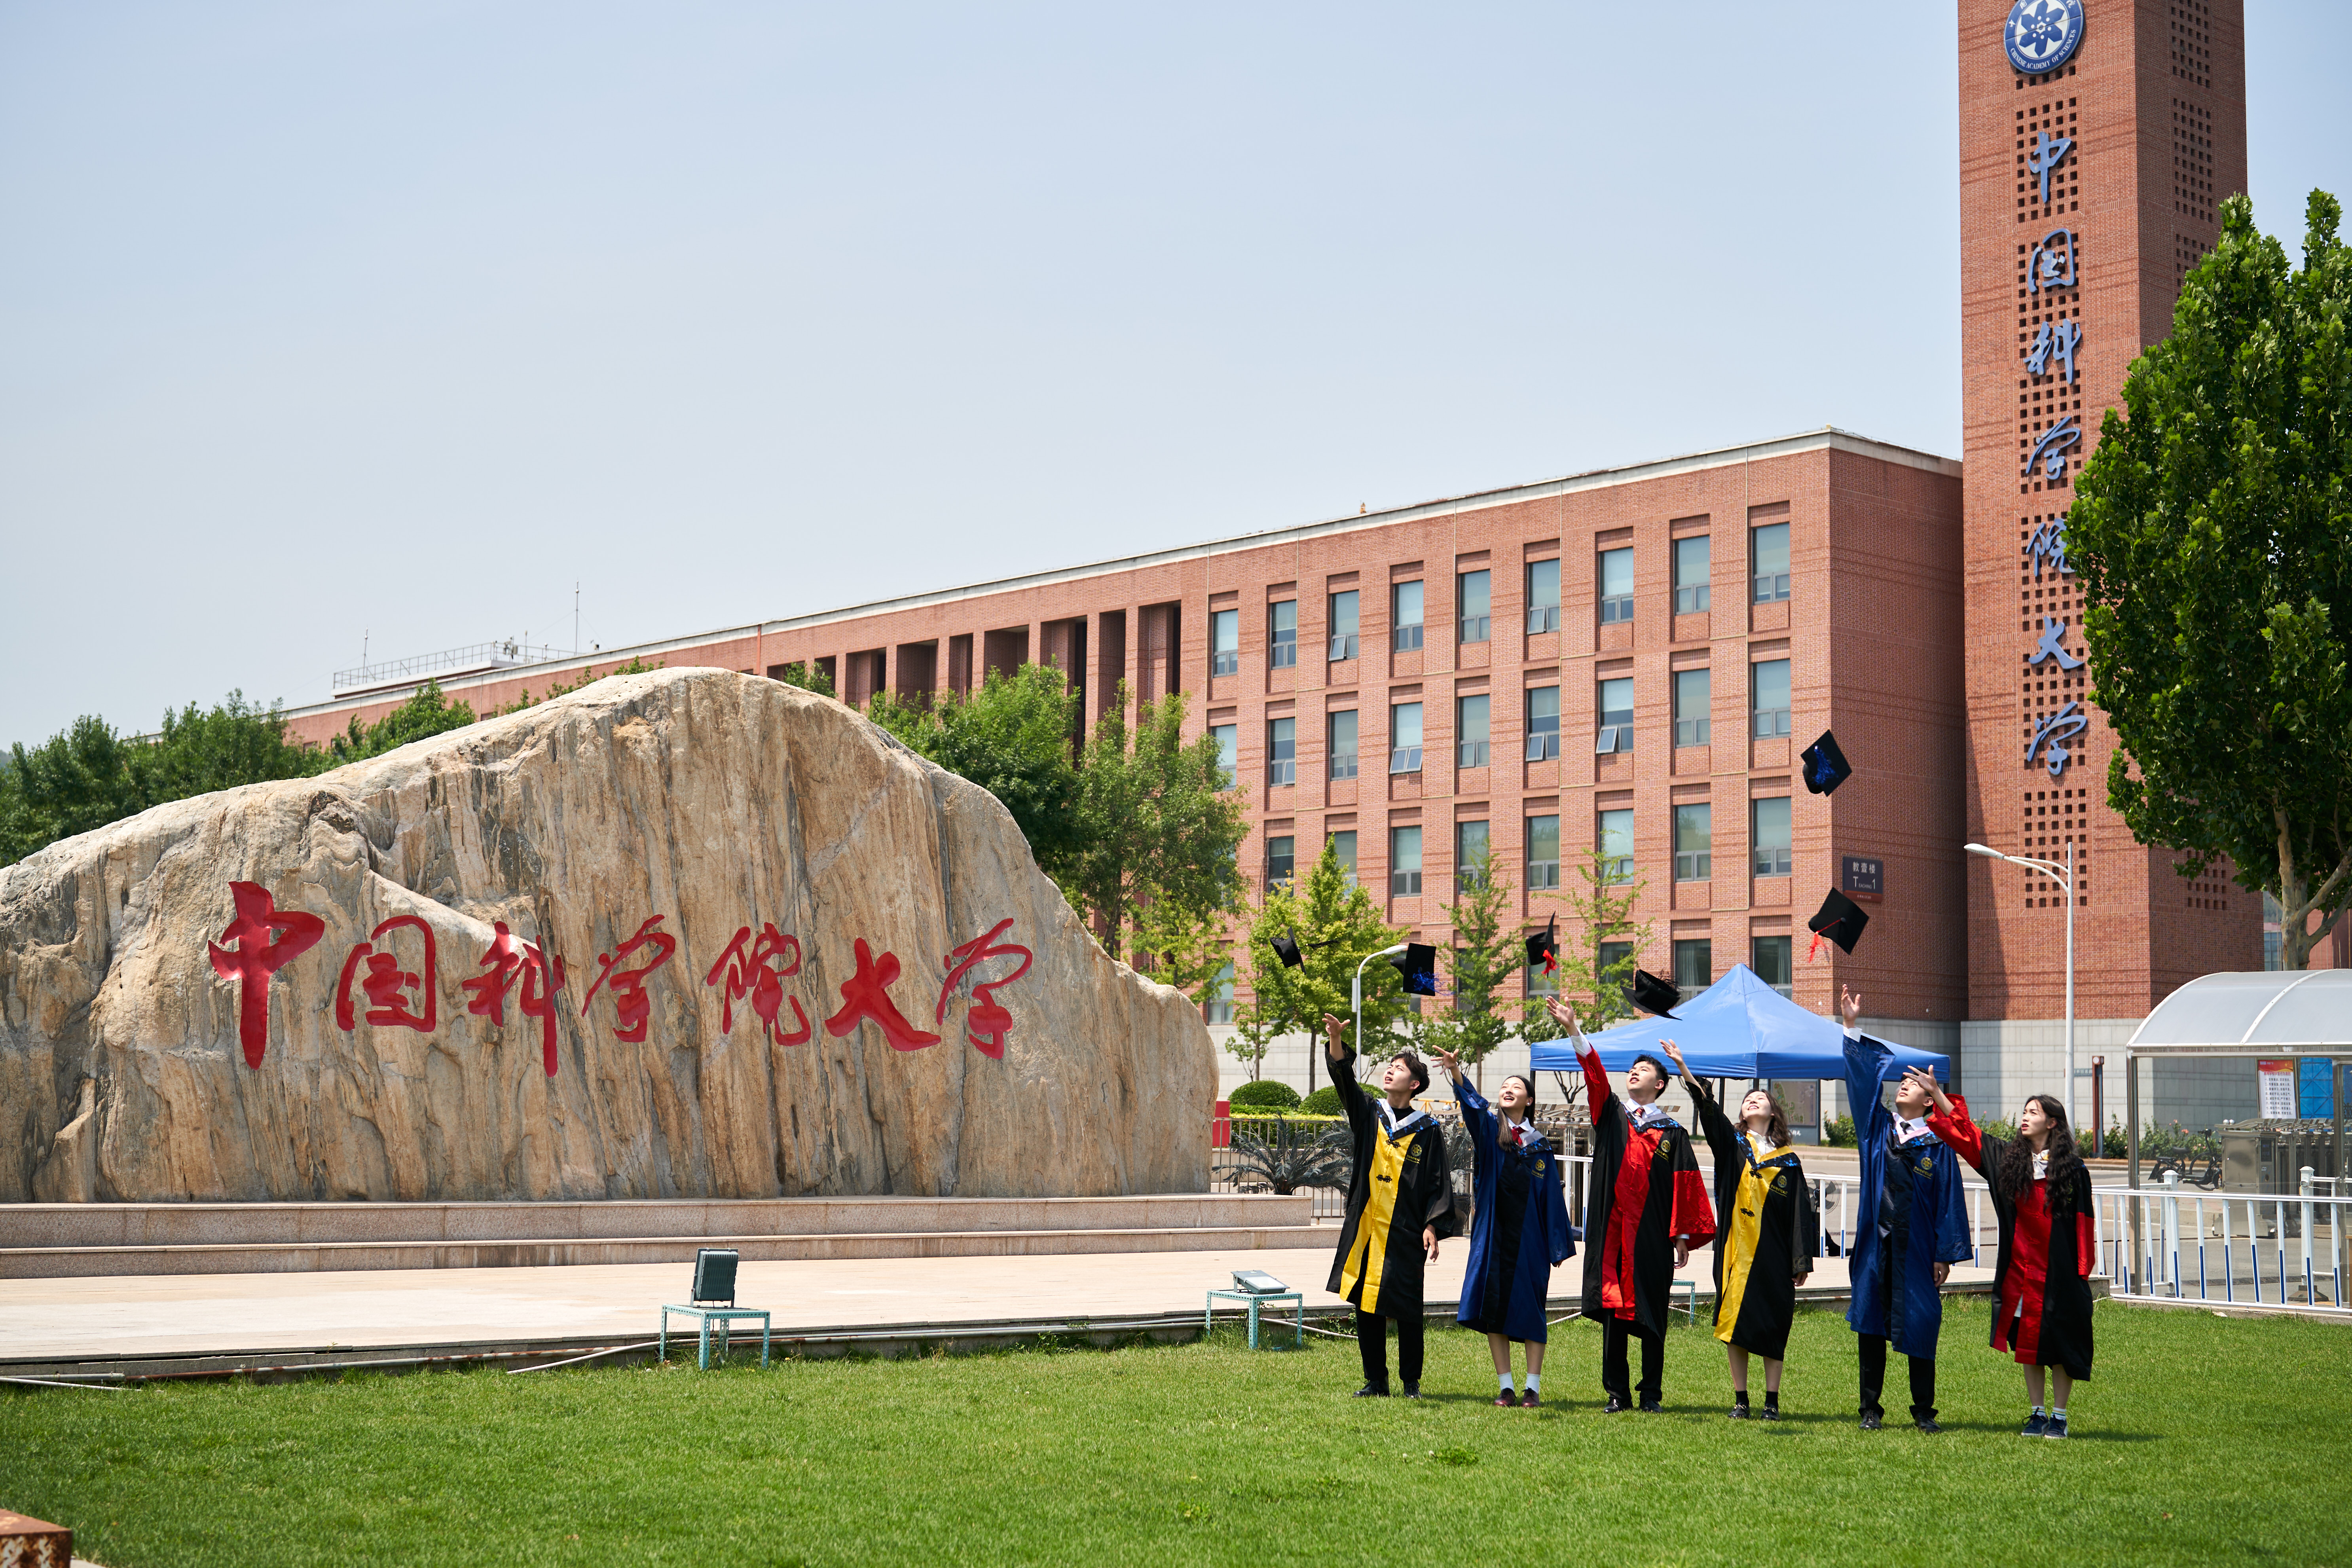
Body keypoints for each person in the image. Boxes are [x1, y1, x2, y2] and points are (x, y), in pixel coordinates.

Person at [1544, 997, 1715, 1413]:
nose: (1634, 1072)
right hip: (1613, 1234)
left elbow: (1685, 1185)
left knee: (1653, 1312)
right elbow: (1596, 1076)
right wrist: (1573, 1029)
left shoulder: (1671, 1132)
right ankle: (1617, 1393)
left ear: (1659, 1084)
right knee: (1612, 1313)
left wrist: (1682, 1236)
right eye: (1632, 1069)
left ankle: (1651, 1394)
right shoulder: (1613, 1113)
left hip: (1653, 1236)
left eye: (1645, 1070)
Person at [1909, 1071, 2096, 1438]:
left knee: (2059, 1343)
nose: (2024, 1117)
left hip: (2059, 1272)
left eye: (2033, 1112)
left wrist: (2082, 1271)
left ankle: (2060, 1415)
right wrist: (1937, 1094)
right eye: (2024, 1111)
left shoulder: (2073, 1170)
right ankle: (2037, 1413)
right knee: (2029, 1343)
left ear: (2052, 1122)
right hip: (2021, 1270)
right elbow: (1968, 1133)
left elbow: (2083, 1223)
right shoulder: (2010, 1161)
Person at [1837, 986, 1973, 1433]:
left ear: (1928, 1102)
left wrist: (1944, 1253)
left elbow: (1949, 1201)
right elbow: (1860, 1088)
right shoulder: (1876, 1130)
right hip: (1877, 1245)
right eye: (1902, 1081)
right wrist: (1851, 1028)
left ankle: (1923, 1411)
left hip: (1915, 1249)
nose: (1904, 1085)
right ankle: (1870, 1411)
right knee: (1871, 1323)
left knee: (1920, 1324)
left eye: (1913, 1083)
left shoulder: (1938, 1146)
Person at [1661, 1041, 1815, 1420]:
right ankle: (1742, 1399)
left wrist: (1800, 1259)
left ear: (1773, 1112)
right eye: (1748, 1099)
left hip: (1775, 1255)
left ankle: (1772, 1402)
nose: (1753, 1100)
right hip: (1735, 1252)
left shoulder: (1789, 1162)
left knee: (1775, 1322)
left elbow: (1800, 1214)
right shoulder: (1733, 1147)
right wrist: (1683, 1067)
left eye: (1761, 1097)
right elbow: (1709, 1111)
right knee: (1736, 1322)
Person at [1430, 1048, 1576, 1407]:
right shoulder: (1491, 1132)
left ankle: (1533, 1388)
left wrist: (1557, 1245)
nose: (1508, 1089)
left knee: (1531, 1309)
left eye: (1517, 1086)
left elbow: (1551, 1200)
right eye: (1505, 1085)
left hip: (1530, 1242)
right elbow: (1475, 1106)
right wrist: (1456, 1072)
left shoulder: (1539, 1146)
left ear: (1529, 1099)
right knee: (1494, 1308)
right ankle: (1507, 1387)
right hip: (1494, 1236)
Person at [1322, 1013, 1454, 1398]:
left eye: (1398, 1069)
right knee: (1366, 1304)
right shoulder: (1370, 1113)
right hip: (1367, 1226)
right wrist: (1334, 1039)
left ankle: (1410, 1382)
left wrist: (1433, 1225)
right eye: (1389, 1067)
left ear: (1413, 1084)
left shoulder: (1427, 1130)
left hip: (1406, 1229)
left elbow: (1437, 1182)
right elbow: (1344, 1080)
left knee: (1408, 1306)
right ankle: (1375, 1380)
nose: (1389, 1072)